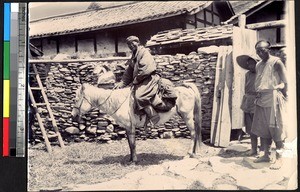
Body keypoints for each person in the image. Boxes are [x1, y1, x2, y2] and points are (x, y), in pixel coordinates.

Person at [251, 40, 288, 170]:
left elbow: (285, 82)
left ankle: (280, 159)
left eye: (262, 50)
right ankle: (266, 155)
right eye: (257, 51)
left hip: (273, 99)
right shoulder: (258, 65)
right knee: (262, 129)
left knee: (276, 129)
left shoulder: (276, 62)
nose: (259, 53)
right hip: (261, 99)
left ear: (269, 50)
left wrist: (283, 95)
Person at [114, 36, 161, 125]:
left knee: (140, 96)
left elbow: (145, 70)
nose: (131, 46)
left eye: (132, 43)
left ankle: (154, 116)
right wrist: (122, 83)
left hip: (148, 78)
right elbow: (129, 71)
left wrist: (135, 81)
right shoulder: (134, 55)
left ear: (138, 42)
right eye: (129, 44)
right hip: (140, 80)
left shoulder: (144, 53)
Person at [237, 54, 263, 156]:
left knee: (260, 127)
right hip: (248, 101)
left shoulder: (261, 74)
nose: (250, 66)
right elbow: (246, 88)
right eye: (249, 64)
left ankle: (263, 150)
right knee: (250, 128)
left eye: (252, 64)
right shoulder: (247, 74)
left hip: (258, 102)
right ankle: (253, 148)